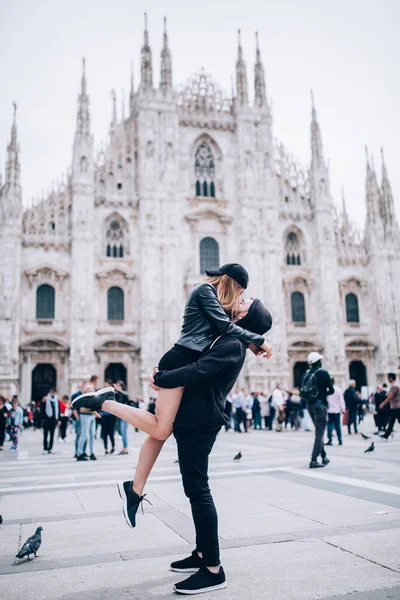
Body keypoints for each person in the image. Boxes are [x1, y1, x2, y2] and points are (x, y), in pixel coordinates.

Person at [74, 298, 272, 594]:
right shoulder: (229, 339)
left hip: (200, 423)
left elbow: (198, 370)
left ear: (245, 317)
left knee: (199, 491)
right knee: (191, 485)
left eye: (244, 303)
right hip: (194, 417)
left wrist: (162, 377)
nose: (238, 301)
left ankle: (214, 569)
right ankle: (202, 553)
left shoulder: (231, 345)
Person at [301, 352, 334, 468]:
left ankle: (324, 456)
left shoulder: (306, 373)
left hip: (310, 406)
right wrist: (323, 392)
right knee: (319, 433)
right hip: (320, 405)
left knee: (318, 431)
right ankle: (313, 460)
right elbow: (332, 390)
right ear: (319, 362)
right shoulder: (323, 373)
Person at [76, 375, 99, 461]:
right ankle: (79, 453)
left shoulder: (91, 387)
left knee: (92, 434)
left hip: (91, 414)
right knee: (85, 434)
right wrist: (95, 412)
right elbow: (88, 402)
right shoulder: (89, 387)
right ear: (95, 380)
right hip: (86, 413)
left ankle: (92, 452)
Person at [379, 373, 400, 439]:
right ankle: (386, 435)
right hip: (395, 406)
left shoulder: (394, 386)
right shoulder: (397, 384)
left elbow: (390, 396)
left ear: (390, 378)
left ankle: (386, 435)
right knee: (391, 421)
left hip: (396, 406)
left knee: (394, 421)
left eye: (388, 378)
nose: (388, 379)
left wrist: (383, 403)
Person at [326, 378, 345, 446]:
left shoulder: (327, 390)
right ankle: (340, 440)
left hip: (329, 410)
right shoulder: (338, 389)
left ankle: (330, 440)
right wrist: (343, 409)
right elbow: (341, 400)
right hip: (337, 410)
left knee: (329, 425)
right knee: (338, 426)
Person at [41, 389, 60, 454]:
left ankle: (50, 448)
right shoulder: (46, 399)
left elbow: (58, 410)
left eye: (54, 392)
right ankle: (45, 448)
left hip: (53, 420)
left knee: (52, 435)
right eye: (51, 392)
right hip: (46, 420)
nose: (53, 393)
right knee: (45, 435)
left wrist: (58, 419)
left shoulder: (56, 400)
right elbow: (42, 409)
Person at [115, 382, 130, 455]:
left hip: (124, 415)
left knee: (123, 432)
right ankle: (125, 447)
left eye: (118, 386)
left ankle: (125, 448)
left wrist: (119, 390)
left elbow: (125, 395)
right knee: (119, 430)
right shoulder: (117, 394)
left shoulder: (124, 394)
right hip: (118, 415)